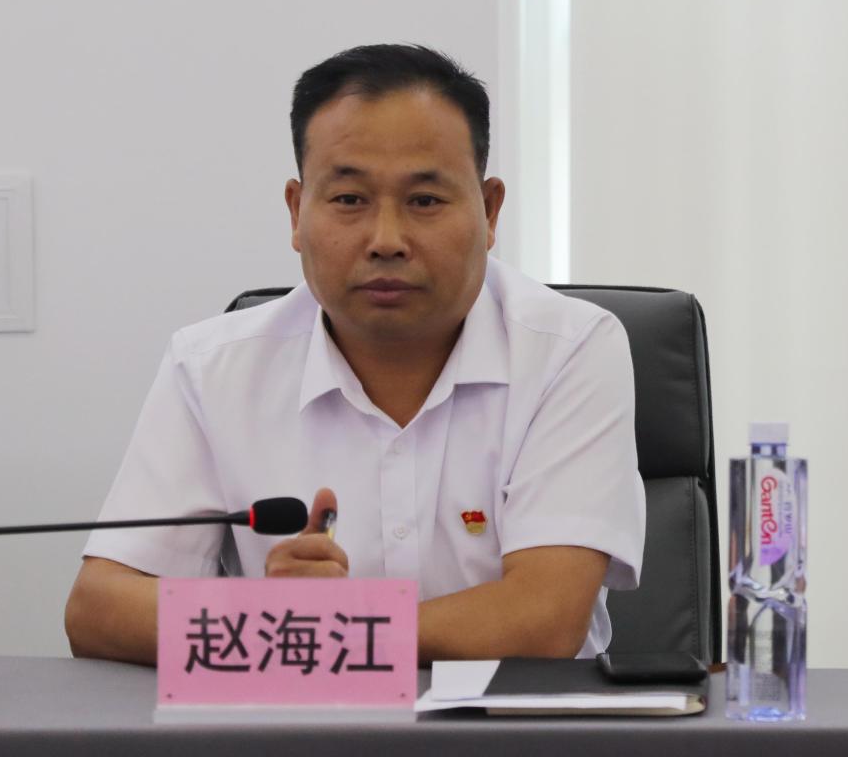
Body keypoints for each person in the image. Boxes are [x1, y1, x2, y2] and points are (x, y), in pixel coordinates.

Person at [64, 44, 645, 666]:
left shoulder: (570, 351)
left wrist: (309, 630)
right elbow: (98, 609)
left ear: (489, 209)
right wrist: (270, 617)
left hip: (516, 717)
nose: (386, 240)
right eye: (348, 200)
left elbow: (543, 621)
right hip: (301, 716)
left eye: (424, 201)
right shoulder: (211, 367)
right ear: (297, 211)